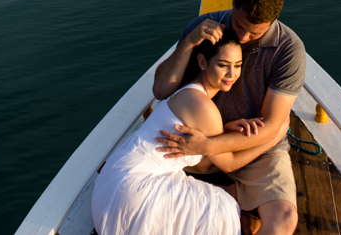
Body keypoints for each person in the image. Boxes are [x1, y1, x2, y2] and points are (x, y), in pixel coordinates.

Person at [153, 0, 305, 235]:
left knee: (284, 219)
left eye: (255, 33)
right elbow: (161, 90)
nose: (243, 37)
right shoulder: (203, 27)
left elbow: (271, 126)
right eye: (239, 25)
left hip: (254, 147)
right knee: (153, 197)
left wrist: (208, 145)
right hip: (198, 139)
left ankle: (231, 198)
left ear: (273, 22)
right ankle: (235, 200)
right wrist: (188, 43)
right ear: (234, 1)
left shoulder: (288, 50)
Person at [92, 29, 274, 235]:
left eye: (238, 65)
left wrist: (224, 130)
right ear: (203, 62)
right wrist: (271, 138)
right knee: (222, 208)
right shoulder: (204, 107)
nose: (232, 74)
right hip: (134, 192)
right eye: (223, 65)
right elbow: (230, 163)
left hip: (109, 187)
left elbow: (203, 164)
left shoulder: (186, 91)